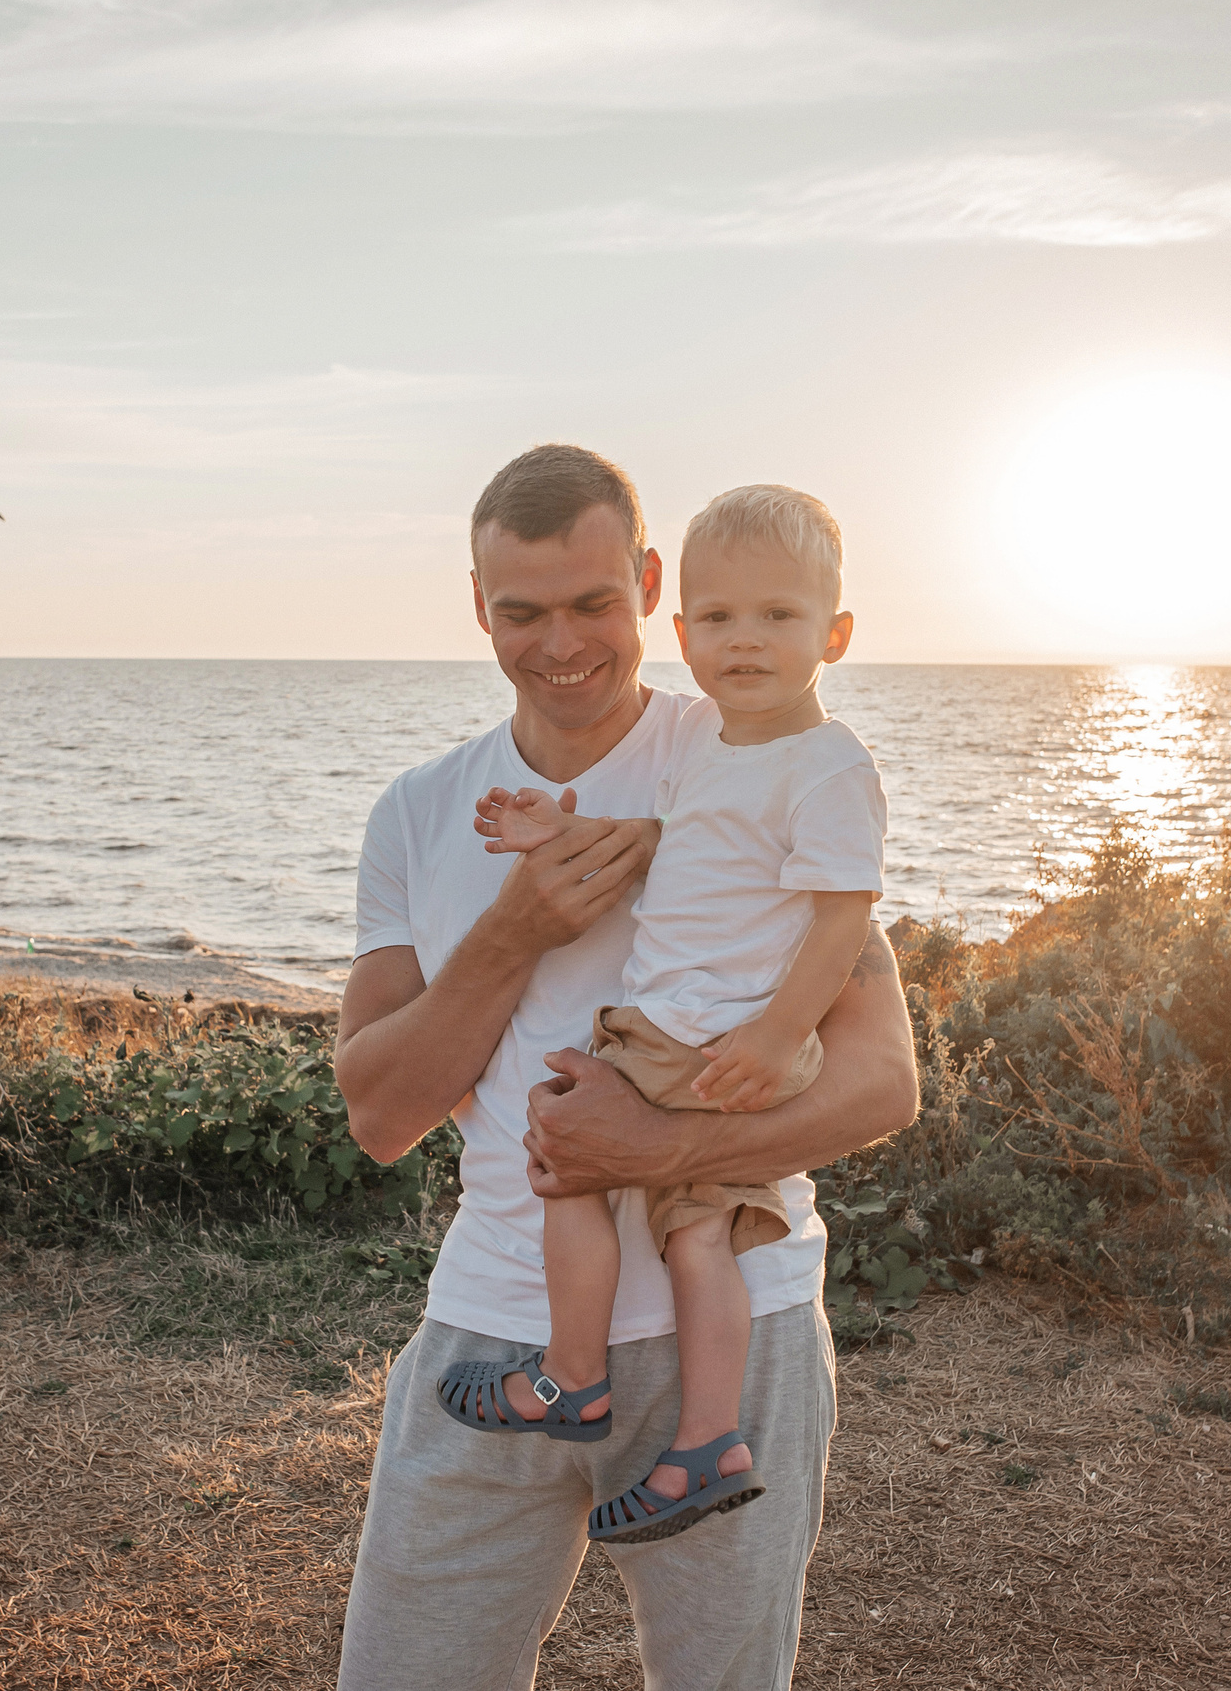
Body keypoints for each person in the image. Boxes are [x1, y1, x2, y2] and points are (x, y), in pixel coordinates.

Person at [334, 445, 918, 1691]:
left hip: (732, 1329)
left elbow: (882, 1084)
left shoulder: (754, 747)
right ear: (477, 605)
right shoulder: (421, 811)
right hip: (490, 1321)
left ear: (649, 583)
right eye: (521, 610)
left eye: (593, 601)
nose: (561, 641)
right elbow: (379, 1110)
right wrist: (513, 931)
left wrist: (660, 1152)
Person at [446, 483, 882, 1549]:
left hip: (710, 1034)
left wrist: (780, 1032)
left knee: (560, 1143)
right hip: (690, 1027)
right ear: (682, 631)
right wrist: (559, 827)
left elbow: (841, 920)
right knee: (696, 1234)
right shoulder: (716, 749)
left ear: (835, 632)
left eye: (778, 617)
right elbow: (669, 839)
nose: (746, 641)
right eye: (723, 619)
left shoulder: (829, 764)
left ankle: (571, 1376)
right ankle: (705, 1440)